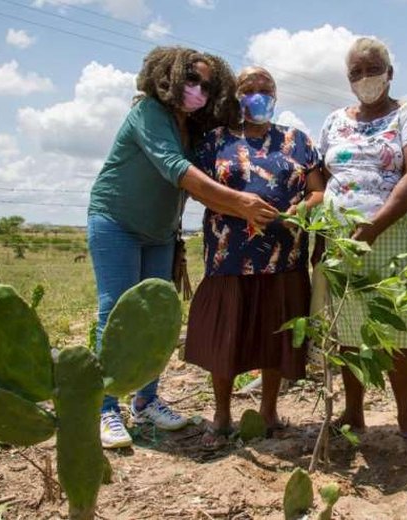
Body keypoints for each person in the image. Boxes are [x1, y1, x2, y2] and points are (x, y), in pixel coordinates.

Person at [88, 47, 279, 449]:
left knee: (157, 315)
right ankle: (105, 408)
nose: (197, 90)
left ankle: (146, 400)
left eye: (207, 85)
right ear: (168, 76)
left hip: (159, 232)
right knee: (116, 312)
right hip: (117, 223)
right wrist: (239, 203)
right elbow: (179, 171)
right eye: (191, 79)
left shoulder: (190, 126)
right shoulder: (148, 113)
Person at [184, 66, 325, 449]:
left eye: (266, 88)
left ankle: (268, 411)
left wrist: (301, 210)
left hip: (285, 257)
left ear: (276, 95)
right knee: (225, 338)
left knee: (274, 337)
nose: (258, 94)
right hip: (229, 256)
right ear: (236, 95)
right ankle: (222, 413)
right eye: (249, 88)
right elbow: (200, 189)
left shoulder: (297, 140)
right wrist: (238, 207)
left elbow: (317, 191)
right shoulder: (215, 140)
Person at [318, 37, 407, 455]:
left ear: (389, 72)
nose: (364, 79)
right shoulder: (333, 120)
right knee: (348, 331)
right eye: (356, 73)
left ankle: (406, 418)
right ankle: (354, 411)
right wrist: (316, 218)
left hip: (395, 236)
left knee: (396, 331)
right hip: (342, 238)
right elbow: (320, 174)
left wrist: (375, 224)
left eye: (372, 70)